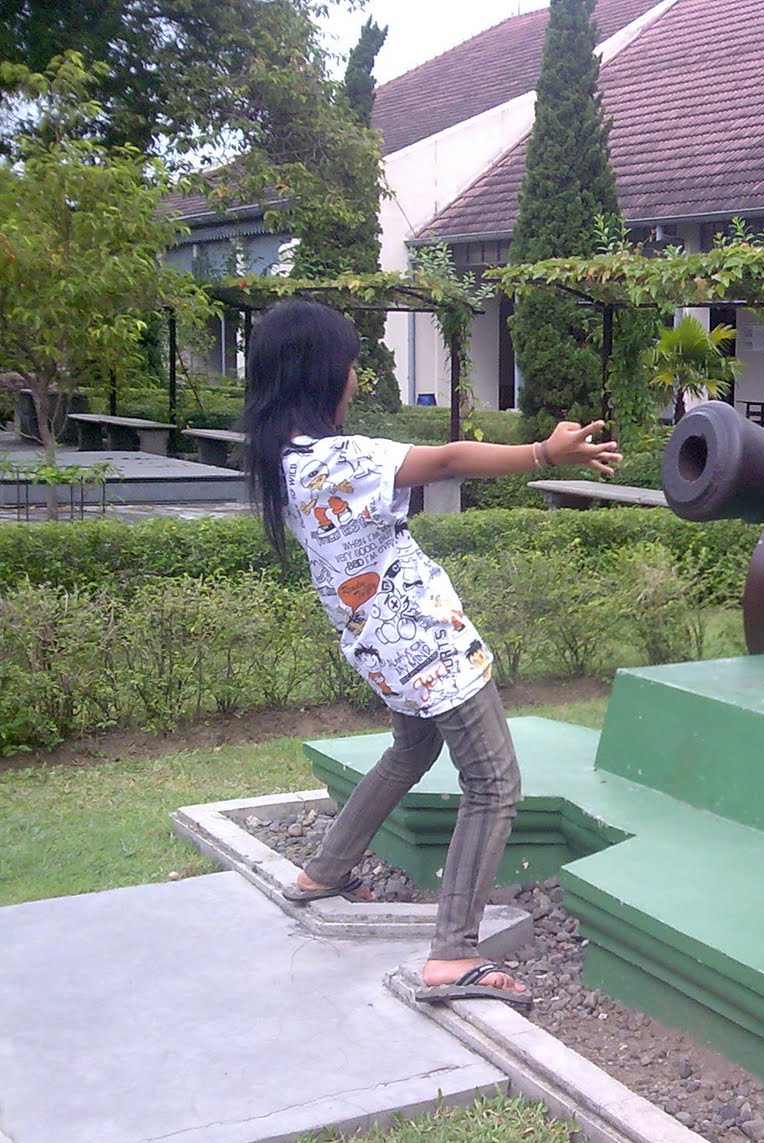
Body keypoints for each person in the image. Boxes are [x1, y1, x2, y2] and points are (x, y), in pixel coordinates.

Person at [241, 299, 622, 1005]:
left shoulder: (282, 460)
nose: (357, 378)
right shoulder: (341, 457)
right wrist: (544, 453)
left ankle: (324, 870)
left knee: (413, 748)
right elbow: (447, 459)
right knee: (494, 784)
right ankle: (453, 954)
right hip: (429, 645)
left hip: (378, 646)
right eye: (352, 365)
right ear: (322, 375)